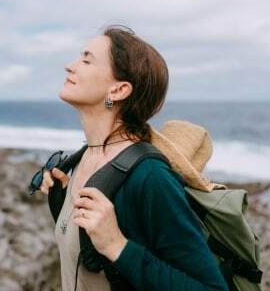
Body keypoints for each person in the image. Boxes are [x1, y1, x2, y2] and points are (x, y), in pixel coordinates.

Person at [40, 24, 228, 291]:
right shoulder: (84, 159)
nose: (70, 66)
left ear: (118, 90)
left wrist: (118, 246)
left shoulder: (150, 176)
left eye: (86, 60)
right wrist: (61, 202)